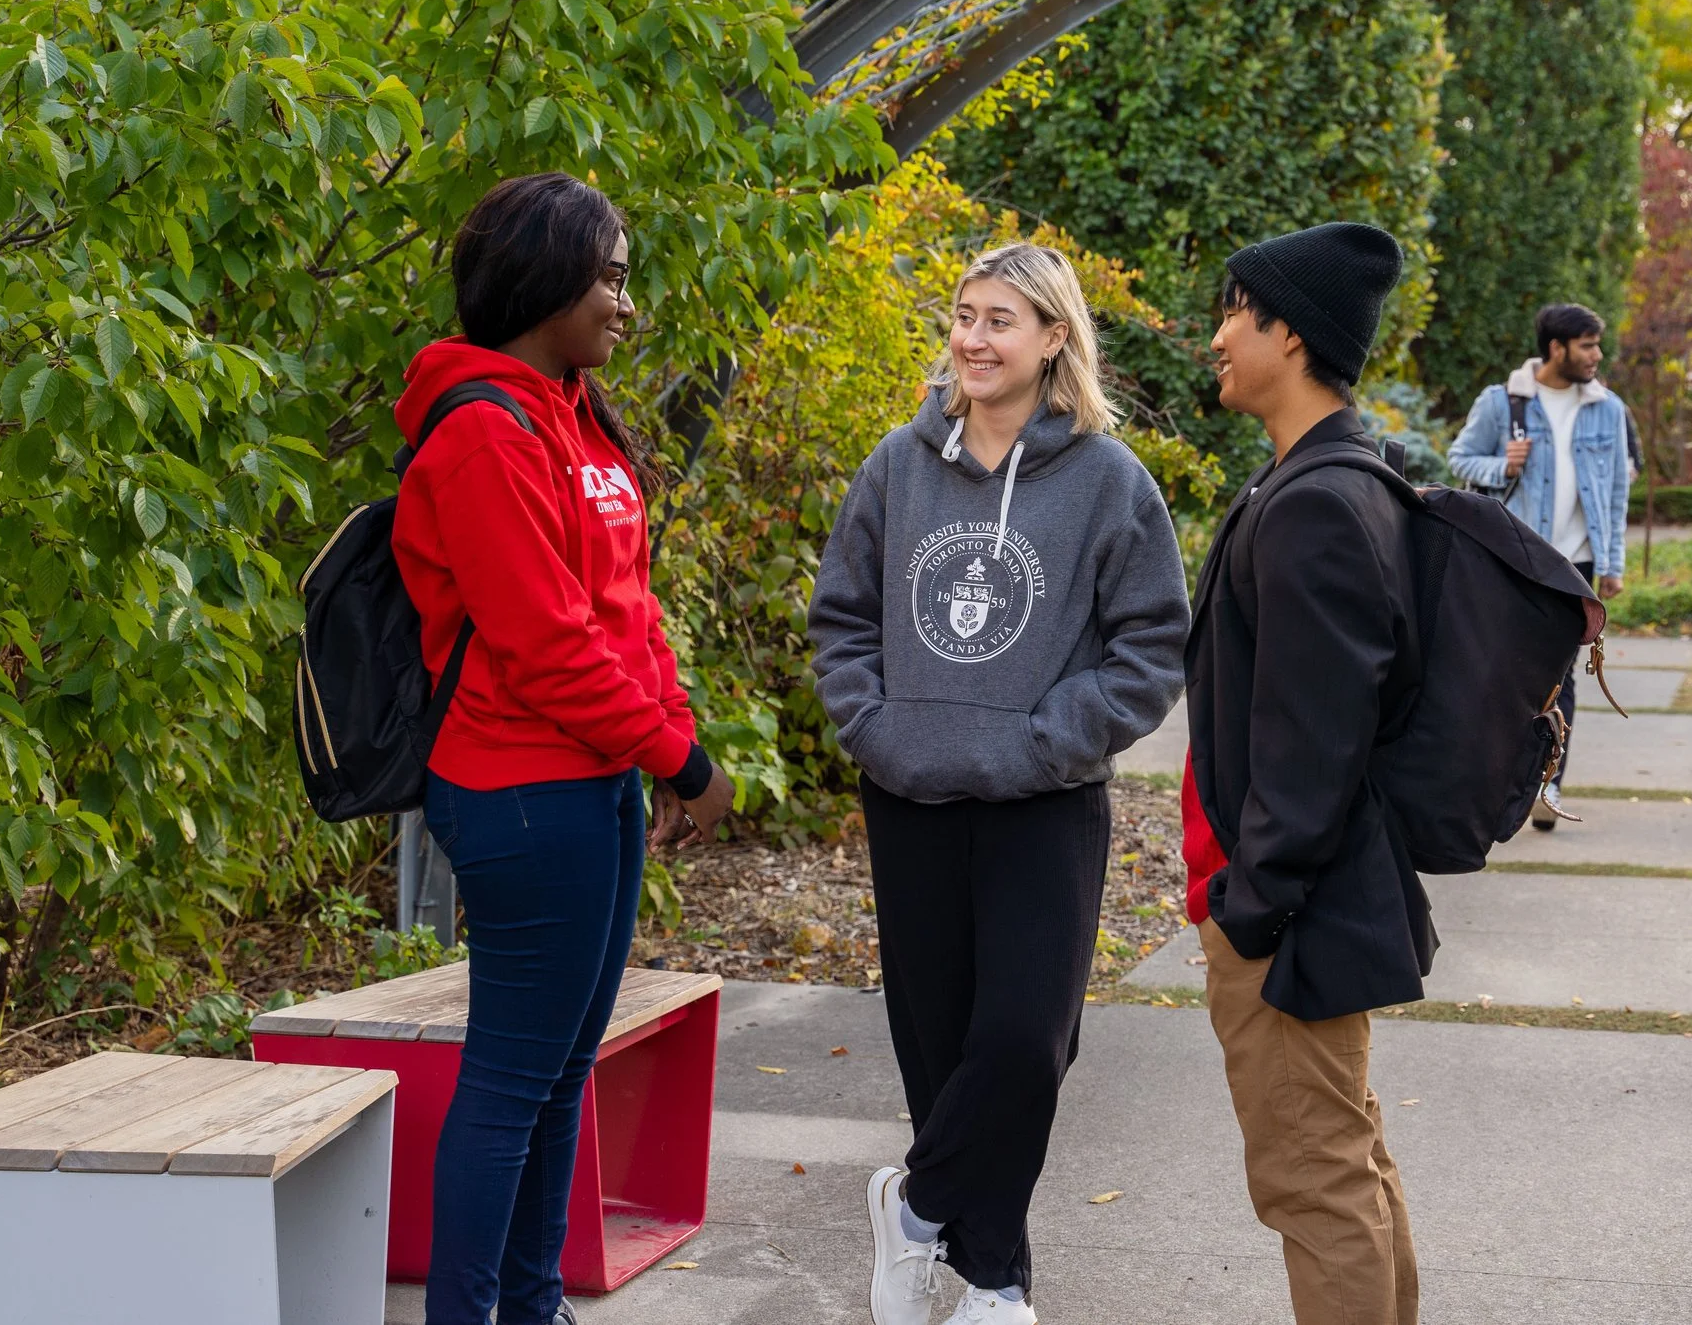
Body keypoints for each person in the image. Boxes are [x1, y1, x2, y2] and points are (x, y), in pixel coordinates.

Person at [809, 243, 1189, 1325]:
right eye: (964, 316)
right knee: (940, 1044)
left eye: (1000, 320)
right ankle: (993, 1280)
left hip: (1043, 797)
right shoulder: (899, 461)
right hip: (911, 793)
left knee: (1028, 1037)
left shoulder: (1109, 479)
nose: (972, 338)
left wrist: (1043, 741)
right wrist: (876, 729)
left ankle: (917, 1202)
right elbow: (842, 615)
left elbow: (1150, 645)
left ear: (1055, 339)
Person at [391, 171, 735, 1325]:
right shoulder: (484, 432)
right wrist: (677, 759)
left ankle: (535, 1307)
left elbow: (624, 609)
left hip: (594, 782)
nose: (625, 305)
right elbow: (543, 641)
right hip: (520, 787)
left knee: (555, 1074)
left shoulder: (572, 408)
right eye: (611, 278)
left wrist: (670, 736)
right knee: (510, 1077)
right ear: (544, 279)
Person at [1184, 221, 1425, 1325]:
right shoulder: (1326, 479)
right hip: (1301, 897)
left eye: (1237, 311)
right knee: (1345, 1162)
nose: (1219, 334)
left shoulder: (1319, 500)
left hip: (1288, 909)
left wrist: (1256, 901)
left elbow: (1314, 734)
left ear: (1289, 332)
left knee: (1314, 1178)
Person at [1447, 302, 1633, 828]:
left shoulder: (1607, 409)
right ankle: (1495, 781)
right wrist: (1500, 463)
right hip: (1512, 560)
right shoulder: (1502, 403)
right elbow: (1459, 458)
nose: (1597, 355)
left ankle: (1545, 783)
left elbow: (1616, 491)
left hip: (1575, 565)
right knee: (1499, 672)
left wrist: (1613, 563)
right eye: (1587, 345)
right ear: (1557, 348)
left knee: (1561, 677)